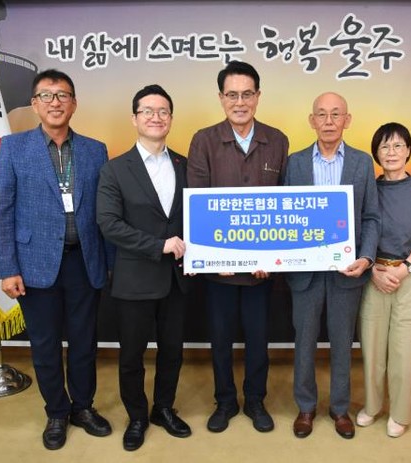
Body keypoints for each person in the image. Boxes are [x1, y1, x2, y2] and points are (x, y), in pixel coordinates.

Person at [0, 69, 111, 450]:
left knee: (84, 343)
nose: (55, 102)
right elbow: (1, 210)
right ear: (35, 104)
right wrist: (8, 268)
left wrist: (108, 261)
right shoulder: (13, 148)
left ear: (74, 103)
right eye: (47, 95)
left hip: (84, 262)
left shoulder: (95, 150)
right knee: (44, 346)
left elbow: (105, 211)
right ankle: (57, 412)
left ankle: (83, 407)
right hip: (34, 264)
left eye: (63, 95)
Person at [187, 60, 288, 433]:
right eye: (232, 95)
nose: (240, 102)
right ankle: (225, 401)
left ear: (258, 96)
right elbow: (198, 204)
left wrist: (269, 258)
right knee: (221, 340)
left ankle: (256, 401)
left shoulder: (277, 140)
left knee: (259, 340)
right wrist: (216, 258)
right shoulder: (204, 140)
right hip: (220, 270)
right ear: (221, 98)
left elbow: (283, 205)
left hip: (262, 271)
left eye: (247, 94)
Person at [96, 84, 192, 452]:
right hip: (135, 279)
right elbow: (109, 224)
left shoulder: (185, 165)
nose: (156, 117)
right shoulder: (115, 169)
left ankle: (163, 408)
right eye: (148, 111)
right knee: (132, 355)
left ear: (171, 118)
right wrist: (158, 245)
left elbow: (197, 217)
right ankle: (137, 416)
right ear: (135, 119)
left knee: (173, 351)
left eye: (163, 111)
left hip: (178, 279)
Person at [285, 92, 380, 440]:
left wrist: (366, 258)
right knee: (304, 342)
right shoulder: (294, 163)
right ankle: (305, 407)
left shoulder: (362, 163)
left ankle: (340, 409)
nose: (328, 121)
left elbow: (371, 217)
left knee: (343, 342)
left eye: (336, 114)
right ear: (312, 120)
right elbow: (283, 213)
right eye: (322, 114)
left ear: (347, 120)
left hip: (347, 271)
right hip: (305, 272)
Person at [356, 122, 411, 438]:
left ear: (408, 151)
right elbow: (358, 234)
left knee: (404, 353)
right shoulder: (369, 190)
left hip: (410, 278)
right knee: (373, 349)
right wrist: (373, 270)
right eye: (385, 146)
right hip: (373, 276)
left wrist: (403, 270)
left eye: (398, 145)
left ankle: (400, 414)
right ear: (376, 153)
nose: (391, 152)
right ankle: (372, 407)